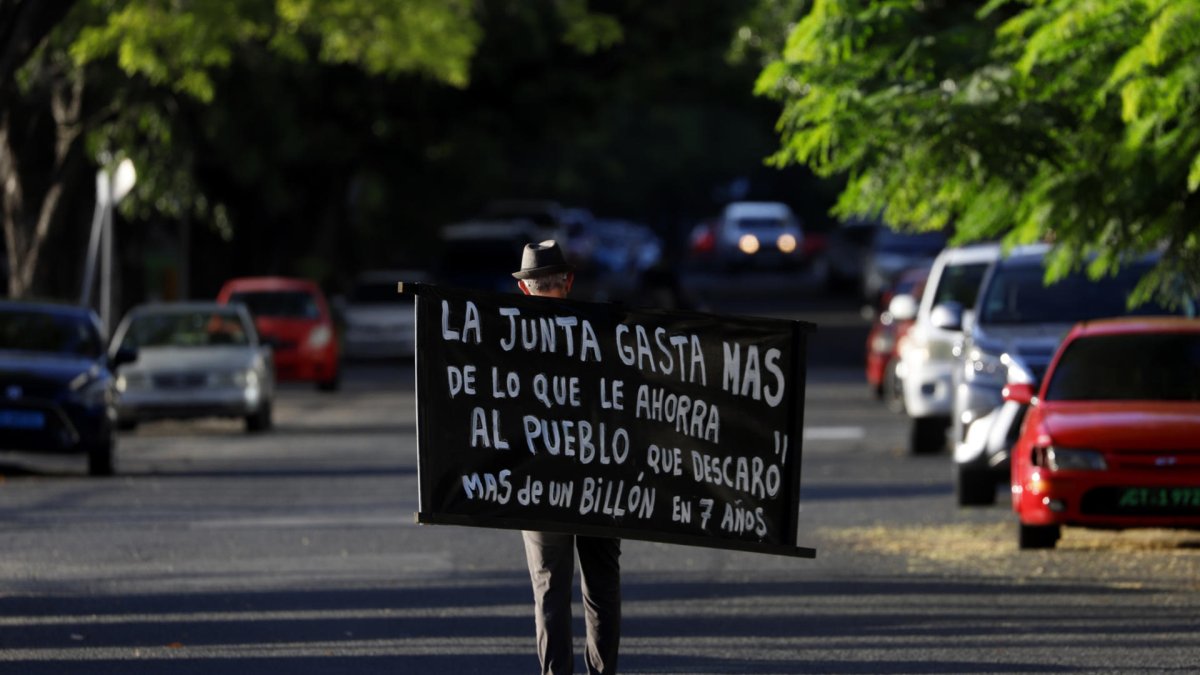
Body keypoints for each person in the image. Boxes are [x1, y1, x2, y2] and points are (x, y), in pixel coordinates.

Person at [513, 240, 622, 675]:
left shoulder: (504, 342)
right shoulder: (605, 333)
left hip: (542, 483)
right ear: (568, 283)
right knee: (601, 588)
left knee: (550, 588)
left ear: (525, 290)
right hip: (600, 481)